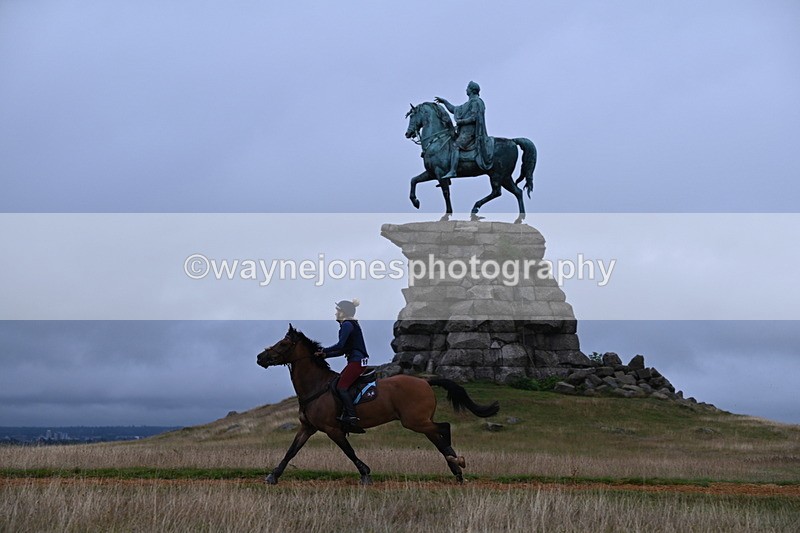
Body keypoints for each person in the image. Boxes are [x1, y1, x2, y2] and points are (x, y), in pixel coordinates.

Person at [315, 298, 369, 432]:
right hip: (356, 360)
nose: (335, 313)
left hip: (357, 361)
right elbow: (343, 350)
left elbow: (340, 345)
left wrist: (324, 350)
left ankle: (351, 417)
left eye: (337, 311)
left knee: (341, 387)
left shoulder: (347, 324)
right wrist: (326, 356)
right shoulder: (349, 324)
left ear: (343, 312)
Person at [435, 80, 494, 180]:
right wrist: (445, 102)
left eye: (467, 88)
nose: (466, 89)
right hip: (463, 132)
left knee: (455, 146)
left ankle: (453, 171)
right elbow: (454, 109)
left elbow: (475, 118)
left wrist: (461, 122)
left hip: (470, 133)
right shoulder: (468, 103)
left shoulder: (476, 102)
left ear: (471, 90)